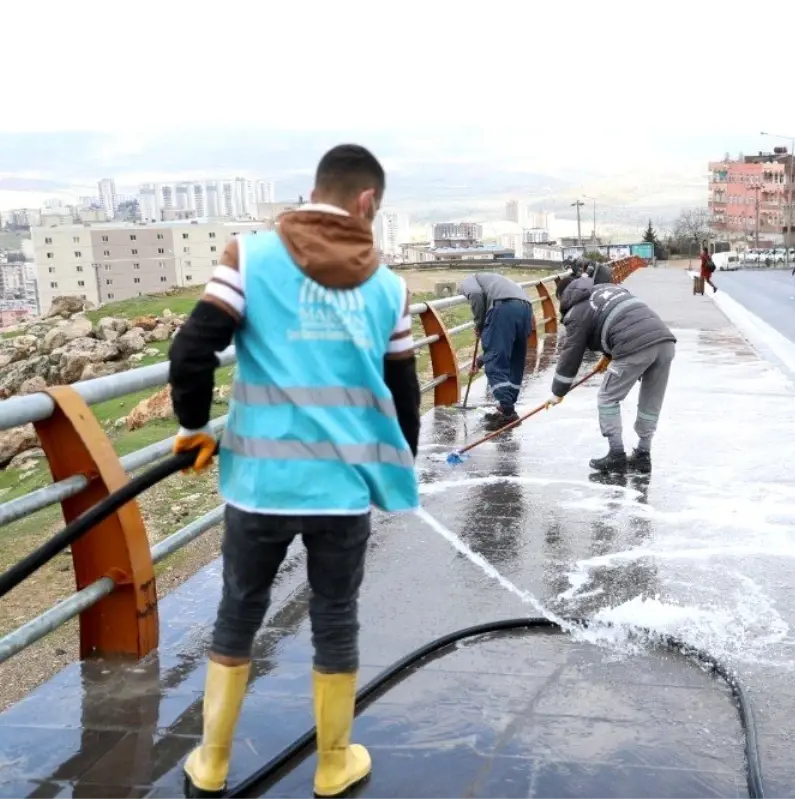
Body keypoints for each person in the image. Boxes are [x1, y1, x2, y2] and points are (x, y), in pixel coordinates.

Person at [167, 144, 422, 799]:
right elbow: (403, 397)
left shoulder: (249, 258)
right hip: (342, 493)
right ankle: (333, 764)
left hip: (259, 485)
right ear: (366, 201)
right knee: (336, 617)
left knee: (237, 614)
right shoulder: (390, 287)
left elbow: (193, 348)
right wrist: (395, 473)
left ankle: (212, 764)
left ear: (318, 188)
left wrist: (193, 431)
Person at [547, 276, 676, 474]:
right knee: (652, 400)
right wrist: (607, 357)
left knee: (607, 398)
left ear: (564, 296)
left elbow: (571, 353)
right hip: (664, 341)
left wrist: (558, 391)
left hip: (635, 346)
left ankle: (616, 455)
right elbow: (621, 319)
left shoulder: (576, 311)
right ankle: (643, 454)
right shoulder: (607, 288)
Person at [459, 272, 533, 431]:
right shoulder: (491, 278)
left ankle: (508, 413)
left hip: (504, 307)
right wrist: (479, 361)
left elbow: (477, 297)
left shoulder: (466, 282)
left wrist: (479, 324)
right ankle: (507, 405)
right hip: (525, 307)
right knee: (514, 359)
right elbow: (499, 348)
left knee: (495, 365)